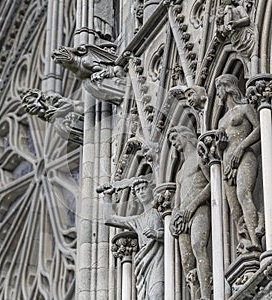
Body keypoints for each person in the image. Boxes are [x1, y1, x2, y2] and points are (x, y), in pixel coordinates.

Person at [216, 74, 262, 253]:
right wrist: (220, 147)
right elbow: (220, 151)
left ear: (227, 87)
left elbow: (259, 128)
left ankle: (256, 240)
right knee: (235, 210)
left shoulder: (245, 109)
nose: (217, 93)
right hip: (227, 164)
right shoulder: (221, 120)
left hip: (244, 157)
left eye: (218, 88)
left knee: (244, 194)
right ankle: (244, 241)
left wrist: (241, 148)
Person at [102, 178, 164, 300]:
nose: (141, 192)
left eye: (143, 188)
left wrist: (156, 234)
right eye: (137, 190)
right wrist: (107, 196)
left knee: (157, 294)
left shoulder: (161, 210)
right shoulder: (137, 220)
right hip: (143, 261)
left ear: (151, 189)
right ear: (136, 197)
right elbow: (109, 219)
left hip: (158, 257)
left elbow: (171, 231)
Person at [168, 126, 211, 300]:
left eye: (175, 139)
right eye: (171, 142)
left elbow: (212, 182)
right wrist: (174, 218)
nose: (174, 144)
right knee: (186, 262)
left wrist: (193, 205)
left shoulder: (199, 157)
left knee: (198, 247)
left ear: (184, 136)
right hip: (182, 219)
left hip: (198, 209)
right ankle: (195, 295)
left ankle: (207, 295)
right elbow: (176, 202)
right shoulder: (179, 173)